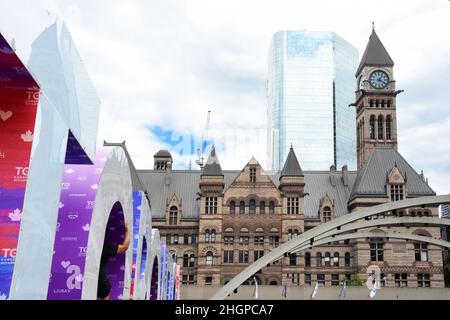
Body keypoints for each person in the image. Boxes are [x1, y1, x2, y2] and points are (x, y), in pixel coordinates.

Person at [97, 221, 130, 300]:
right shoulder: (104, 247)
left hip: (85, 281)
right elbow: (125, 247)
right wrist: (127, 231)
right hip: (101, 283)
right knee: (105, 292)